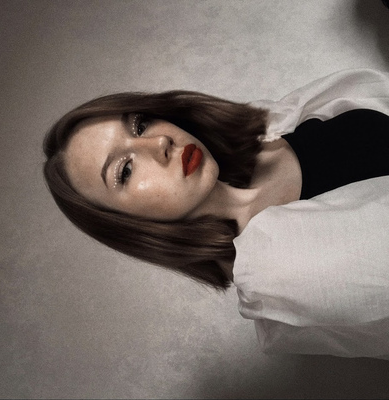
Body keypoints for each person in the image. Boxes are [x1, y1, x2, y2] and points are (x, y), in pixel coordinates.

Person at [43, 69, 389, 359]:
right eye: (126, 170)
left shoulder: (273, 124)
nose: (159, 143)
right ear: (127, 224)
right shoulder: (280, 272)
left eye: (140, 125)